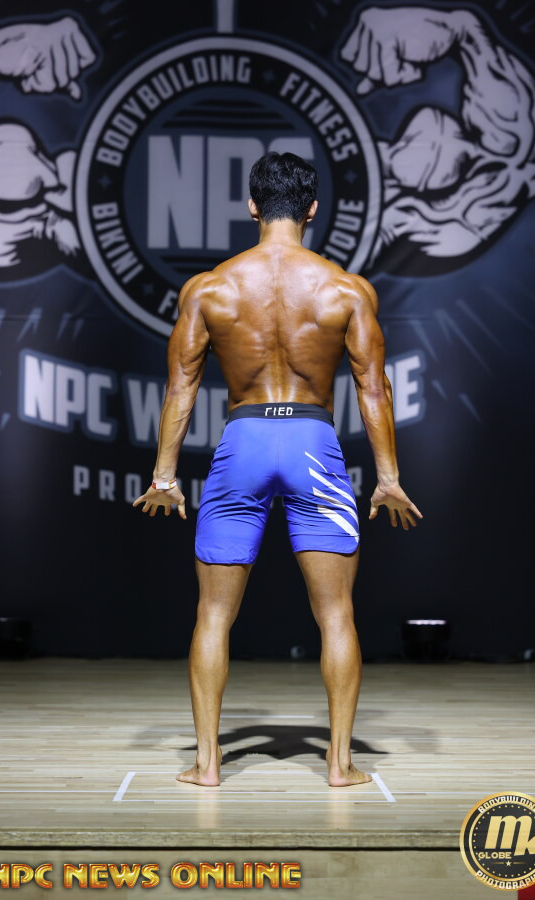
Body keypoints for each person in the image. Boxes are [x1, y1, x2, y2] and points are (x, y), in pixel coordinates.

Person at [133, 152, 422, 787]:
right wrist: (389, 478)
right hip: (312, 444)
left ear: (252, 206)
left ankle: (208, 764)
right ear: (312, 209)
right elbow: (373, 389)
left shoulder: (210, 288)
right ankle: (339, 765)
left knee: (213, 614)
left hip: (243, 442)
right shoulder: (346, 290)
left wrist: (164, 474)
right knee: (336, 614)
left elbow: (180, 387)